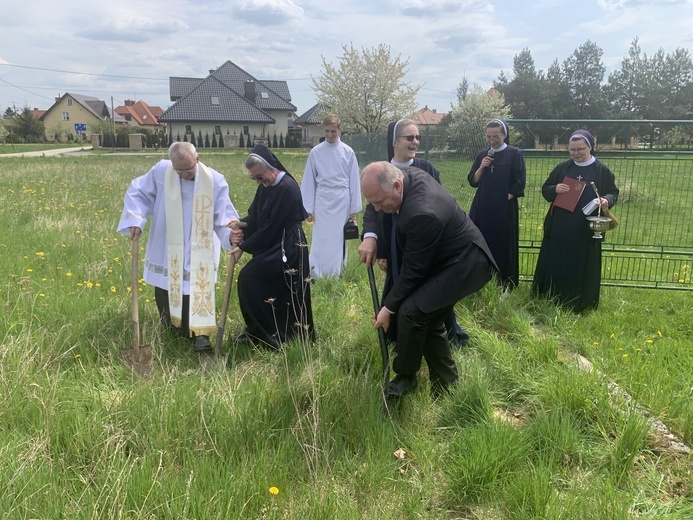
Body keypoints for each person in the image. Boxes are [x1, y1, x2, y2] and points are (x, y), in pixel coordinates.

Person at [361, 162, 496, 398]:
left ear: (396, 186)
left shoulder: (422, 213)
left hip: (465, 263)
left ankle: (406, 377)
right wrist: (371, 236)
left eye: (380, 203)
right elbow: (375, 205)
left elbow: (413, 272)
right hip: (442, 256)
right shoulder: (401, 178)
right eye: (373, 202)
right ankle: (446, 386)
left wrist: (388, 308)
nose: (376, 208)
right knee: (427, 314)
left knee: (413, 311)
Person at [117, 142, 238, 352]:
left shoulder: (215, 181)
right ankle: (171, 326)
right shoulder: (161, 171)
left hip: (199, 242)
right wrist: (135, 218)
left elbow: (223, 217)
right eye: (178, 170)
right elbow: (138, 192)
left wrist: (231, 237)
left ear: (197, 160)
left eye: (188, 169)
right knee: (166, 282)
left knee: (196, 284)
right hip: (168, 241)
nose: (183, 174)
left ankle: (200, 334)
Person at [359, 119, 470, 347]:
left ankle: (443, 335)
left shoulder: (426, 168)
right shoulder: (380, 171)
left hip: (423, 243)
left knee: (429, 289)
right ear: (395, 142)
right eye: (410, 137)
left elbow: (438, 205)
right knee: (401, 284)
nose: (415, 141)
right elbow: (372, 210)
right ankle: (400, 333)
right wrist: (373, 239)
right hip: (394, 241)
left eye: (418, 137)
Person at [228, 144, 315, 349]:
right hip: (274, 242)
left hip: (289, 245)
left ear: (271, 166)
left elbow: (270, 227)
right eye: (255, 178)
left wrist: (243, 246)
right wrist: (240, 224)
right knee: (255, 280)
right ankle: (260, 331)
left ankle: (275, 335)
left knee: (250, 277)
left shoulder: (286, 187)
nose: (259, 181)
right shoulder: (265, 187)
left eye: (260, 176)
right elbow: (257, 217)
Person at [532, 129, 619, 312]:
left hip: (586, 227)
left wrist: (606, 200)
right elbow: (546, 190)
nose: (576, 153)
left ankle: (580, 301)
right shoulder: (563, 168)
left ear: (590, 147)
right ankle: (551, 295)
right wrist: (556, 188)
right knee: (557, 259)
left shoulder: (601, 170)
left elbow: (613, 192)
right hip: (560, 225)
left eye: (580, 149)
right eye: (572, 149)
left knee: (582, 261)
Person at [300, 114, 362, 278]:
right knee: (321, 237)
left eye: (333, 131)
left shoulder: (347, 152)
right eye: (327, 131)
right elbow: (309, 180)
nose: (329, 135)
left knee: (338, 237)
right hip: (322, 198)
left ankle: (336, 272)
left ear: (339, 130)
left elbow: (354, 180)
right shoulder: (316, 152)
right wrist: (308, 208)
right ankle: (316, 272)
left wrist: (353, 208)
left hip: (342, 199)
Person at [468, 119, 526, 289]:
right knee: (480, 242)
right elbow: (473, 181)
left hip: (504, 209)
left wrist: (500, 201)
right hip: (482, 207)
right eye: (489, 137)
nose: (492, 140)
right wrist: (482, 167)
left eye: (496, 137)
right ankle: (480, 281)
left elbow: (518, 183)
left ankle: (505, 283)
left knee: (504, 244)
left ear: (504, 135)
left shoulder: (514, 153)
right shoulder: (482, 154)